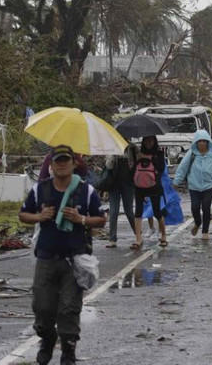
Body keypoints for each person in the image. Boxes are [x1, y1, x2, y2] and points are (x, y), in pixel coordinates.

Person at [18, 145, 106, 365]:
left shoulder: (86, 191)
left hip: (74, 259)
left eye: (66, 160)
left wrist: (81, 219)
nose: (62, 164)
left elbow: (101, 219)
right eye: (58, 160)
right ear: (51, 164)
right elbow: (23, 215)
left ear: (74, 164)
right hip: (46, 257)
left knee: (69, 308)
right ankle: (47, 339)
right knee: (42, 307)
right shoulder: (41, 190)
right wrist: (39, 216)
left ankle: (68, 350)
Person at [174, 130, 212, 240]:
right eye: (199, 141)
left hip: (209, 186)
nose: (201, 143)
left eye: (204, 141)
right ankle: (197, 223)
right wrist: (176, 182)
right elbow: (183, 168)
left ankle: (205, 231)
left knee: (206, 208)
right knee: (195, 208)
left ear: (207, 142)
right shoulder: (191, 153)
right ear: (196, 142)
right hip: (194, 186)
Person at [132, 135, 167, 249]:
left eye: (151, 141)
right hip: (139, 185)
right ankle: (138, 238)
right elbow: (133, 169)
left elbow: (161, 168)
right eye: (146, 140)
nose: (149, 143)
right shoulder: (138, 153)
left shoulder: (159, 153)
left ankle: (163, 235)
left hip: (154, 185)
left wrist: (147, 157)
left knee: (157, 211)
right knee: (138, 211)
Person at [104, 145, 137, 248]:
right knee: (113, 211)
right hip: (114, 184)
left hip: (128, 184)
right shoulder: (112, 147)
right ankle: (112, 239)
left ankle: (138, 235)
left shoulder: (132, 148)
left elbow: (135, 165)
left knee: (129, 211)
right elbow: (108, 166)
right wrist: (112, 156)